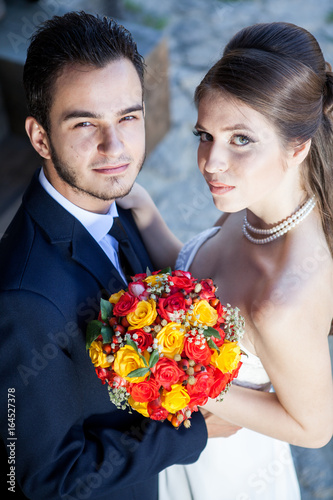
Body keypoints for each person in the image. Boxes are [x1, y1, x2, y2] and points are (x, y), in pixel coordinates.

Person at [0, 12, 210, 500]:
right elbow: (38, 477)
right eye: (85, 123)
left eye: (128, 117)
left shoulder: (122, 206)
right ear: (40, 137)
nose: (114, 147)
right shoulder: (20, 298)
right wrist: (192, 432)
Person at [118, 22, 333, 499]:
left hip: (225, 471)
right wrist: (146, 212)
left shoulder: (283, 300)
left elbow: (315, 428)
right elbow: (200, 286)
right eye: (204, 134)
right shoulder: (255, 205)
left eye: (240, 140)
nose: (211, 162)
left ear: (298, 148)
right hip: (189, 446)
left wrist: (177, 376)